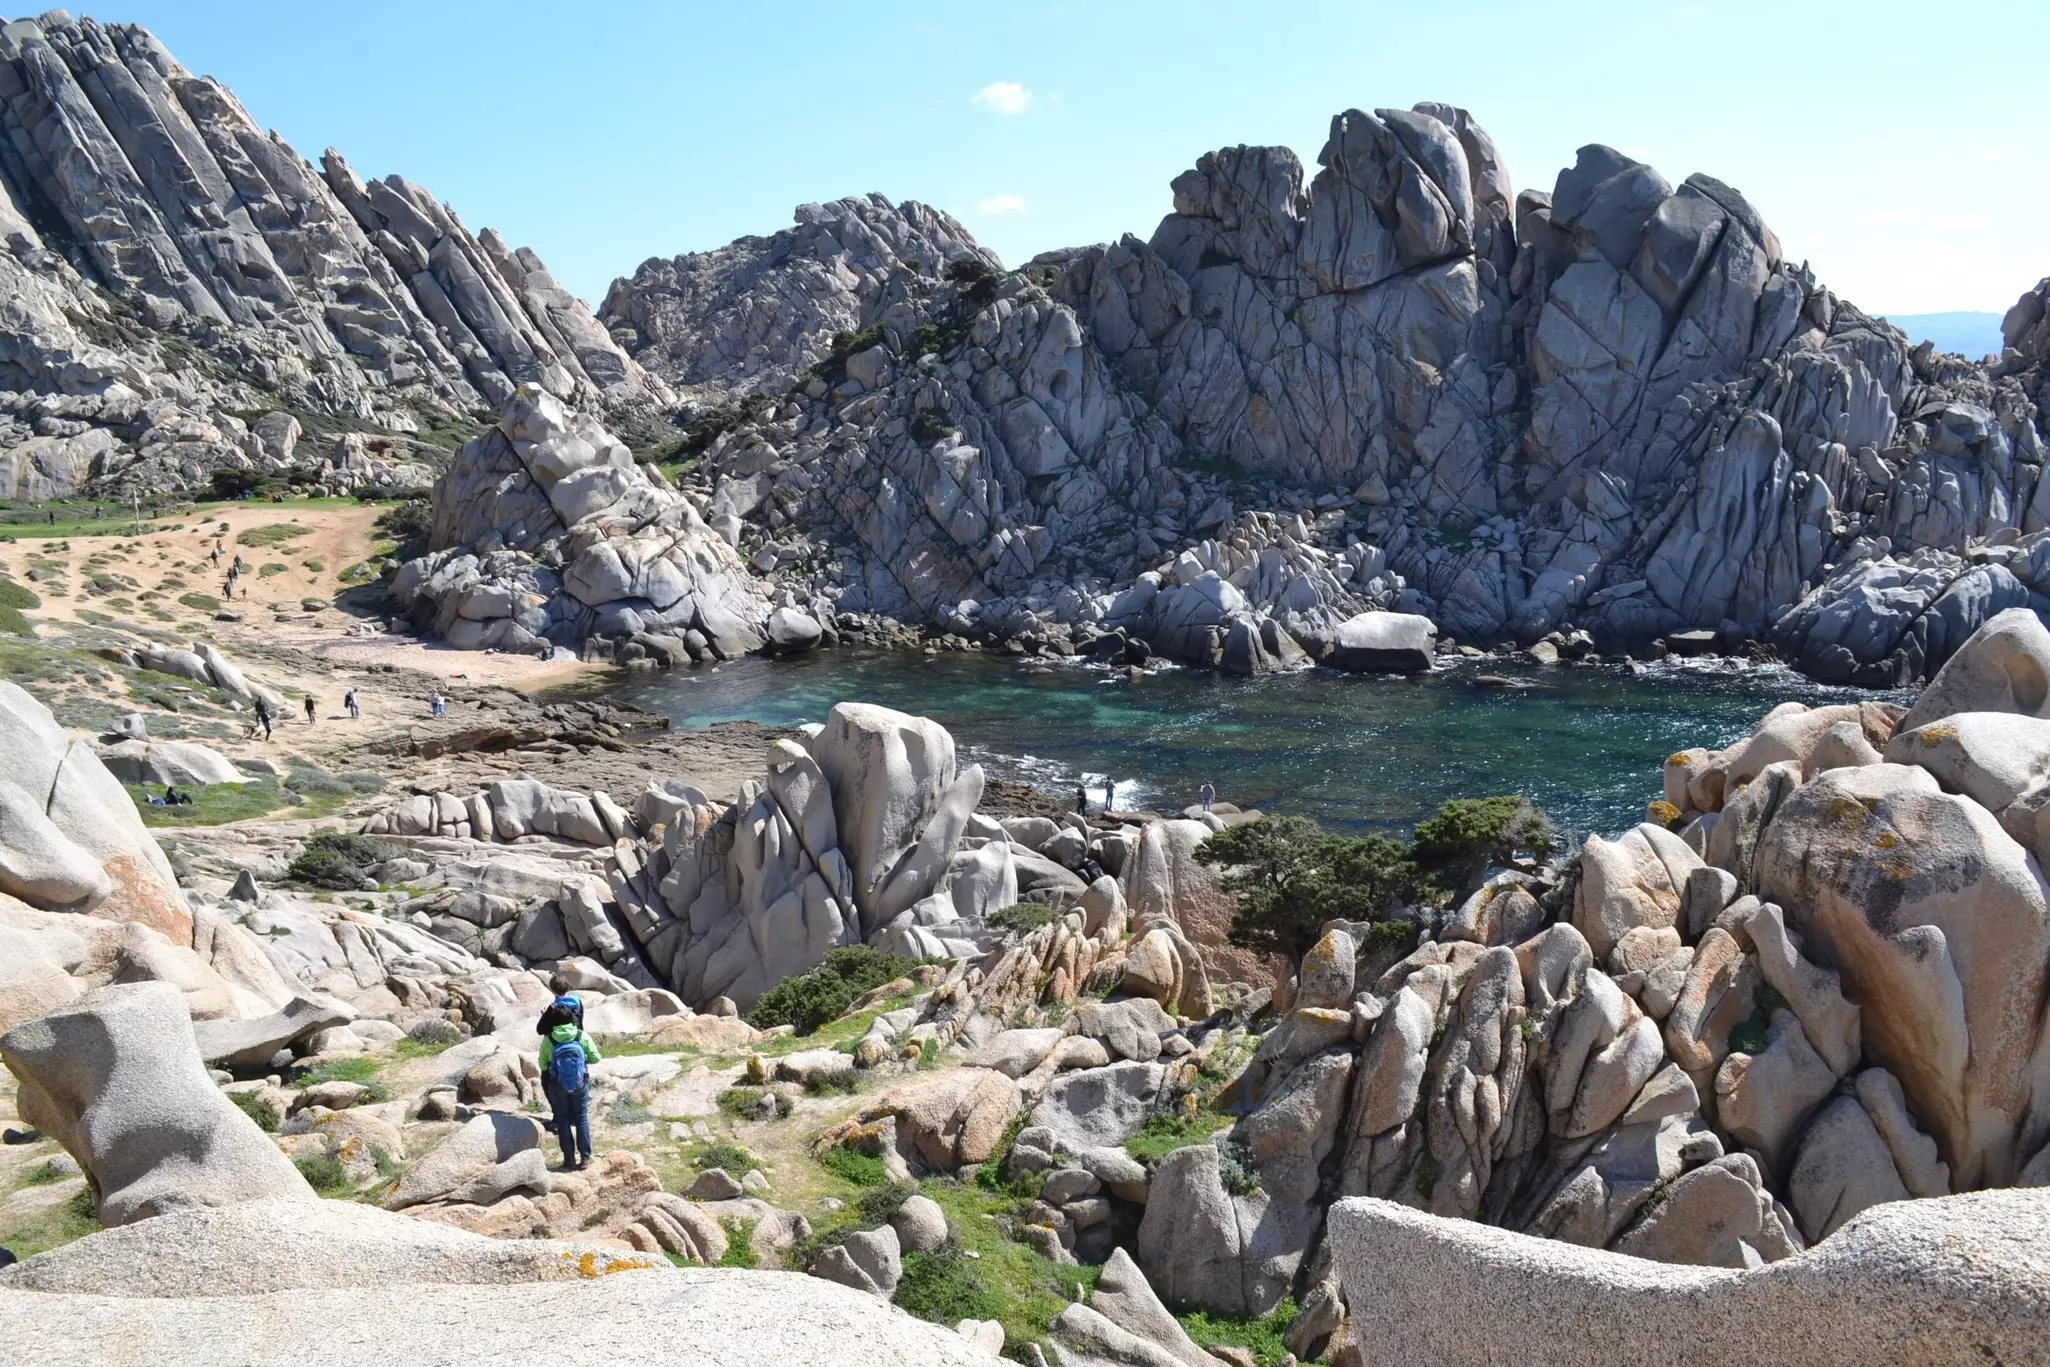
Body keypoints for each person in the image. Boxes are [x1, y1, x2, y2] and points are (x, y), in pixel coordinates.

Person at [539, 1008, 601, 1171]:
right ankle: (585, 1157)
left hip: (557, 1084)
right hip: (580, 1084)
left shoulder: (549, 1040)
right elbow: (596, 1057)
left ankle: (569, 1159)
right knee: (581, 1118)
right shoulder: (581, 1036)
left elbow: (543, 1065)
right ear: (571, 1020)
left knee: (562, 1120)